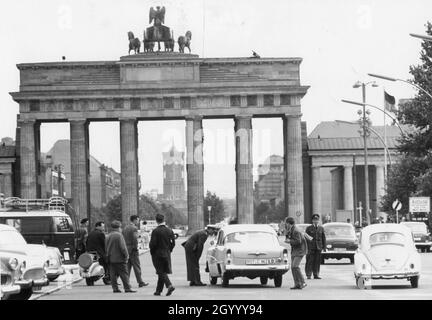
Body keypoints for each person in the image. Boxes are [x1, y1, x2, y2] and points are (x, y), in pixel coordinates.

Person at [105, 220, 136, 293]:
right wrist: (126, 255)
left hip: (110, 258)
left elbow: (106, 247)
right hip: (119, 258)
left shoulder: (108, 236)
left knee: (113, 274)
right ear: (119, 227)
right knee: (124, 273)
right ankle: (127, 288)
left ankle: (115, 288)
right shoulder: (119, 235)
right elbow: (123, 247)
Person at [149, 213, 175, 296]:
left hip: (157, 253)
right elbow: (173, 243)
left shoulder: (155, 231)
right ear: (164, 220)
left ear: (156, 221)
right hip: (166, 253)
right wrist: (169, 250)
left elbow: (153, 244)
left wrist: (152, 252)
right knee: (162, 271)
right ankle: (158, 291)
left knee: (160, 271)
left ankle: (169, 285)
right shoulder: (170, 230)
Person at [123, 215, 149, 287]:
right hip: (133, 249)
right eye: (138, 220)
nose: (138, 221)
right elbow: (135, 239)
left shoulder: (125, 228)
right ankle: (140, 282)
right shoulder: (134, 228)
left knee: (127, 267)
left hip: (127, 249)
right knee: (136, 266)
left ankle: (126, 282)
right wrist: (136, 247)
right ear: (134, 220)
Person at [285, 217, 308, 290]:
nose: (286, 225)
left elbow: (298, 241)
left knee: (295, 266)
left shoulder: (296, 230)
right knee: (292, 267)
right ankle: (297, 284)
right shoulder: (291, 229)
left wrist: (289, 241)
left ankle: (302, 282)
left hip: (300, 251)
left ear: (289, 223)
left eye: (286, 223)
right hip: (295, 251)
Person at [305, 214, 326, 280]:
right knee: (310, 261)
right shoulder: (309, 228)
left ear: (318, 220)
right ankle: (308, 274)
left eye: (317, 220)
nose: (316, 221)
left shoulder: (321, 228)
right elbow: (306, 238)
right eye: (314, 220)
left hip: (318, 247)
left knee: (317, 261)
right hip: (311, 247)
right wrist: (307, 247)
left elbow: (323, 238)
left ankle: (316, 274)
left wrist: (324, 247)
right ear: (312, 220)